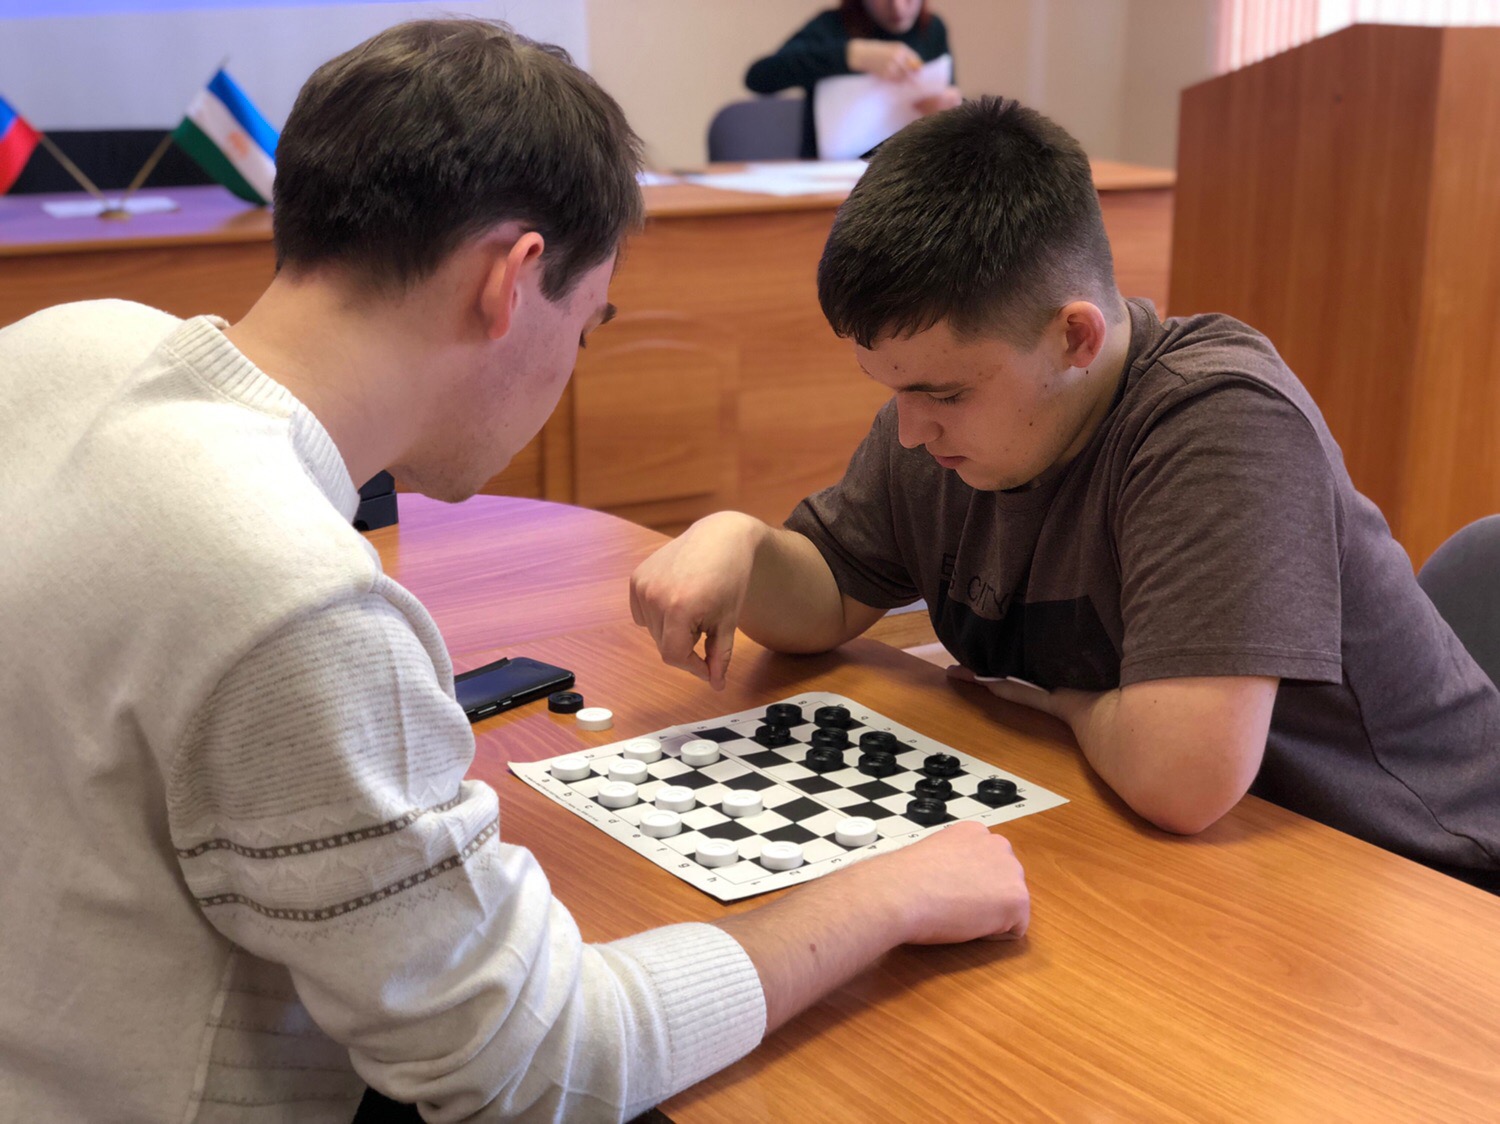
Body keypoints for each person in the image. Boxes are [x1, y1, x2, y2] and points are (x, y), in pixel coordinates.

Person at [0, 22, 1032, 1123]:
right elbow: (535, 1066)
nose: (569, 367)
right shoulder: (296, 600)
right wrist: (879, 894)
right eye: (587, 327)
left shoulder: (58, 342)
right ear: (513, 278)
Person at [630, 96, 1500, 893]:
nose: (909, 431)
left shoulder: (1222, 421)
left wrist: (1069, 706)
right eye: (891, 389)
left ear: (1076, 338)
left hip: (1426, 881)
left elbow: (1183, 778)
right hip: (1207, 860)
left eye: (943, 393)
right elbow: (826, 594)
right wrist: (739, 542)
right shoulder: (950, 428)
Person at [745, 0, 961, 159]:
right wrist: (851, 54)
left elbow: (950, 97)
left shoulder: (932, 29)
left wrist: (951, 110)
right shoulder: (831, 26)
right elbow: (759, 77)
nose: (897, 6)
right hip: (831, 180)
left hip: (909, 173)